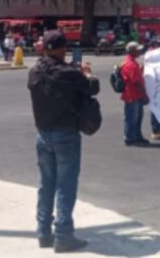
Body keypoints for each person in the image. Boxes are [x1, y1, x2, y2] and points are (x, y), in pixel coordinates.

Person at [27, 30, 99, 252]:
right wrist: (87, 74)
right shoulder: (70, 74)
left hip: (43, 134)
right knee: (65, 186)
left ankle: (43, 232)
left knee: (46, 184)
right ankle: (64, 235)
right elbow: (92, 88)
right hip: (65, 134)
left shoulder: (34, 72)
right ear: (62, 48)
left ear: (44, 48)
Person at [120, 41, 150, 146]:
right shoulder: (130, 64)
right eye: (138, 50)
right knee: (132, 118)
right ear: (132, 51)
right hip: (132, 95)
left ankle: (136, 136)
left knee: (137, 117)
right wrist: (144, 95)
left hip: (134, 94)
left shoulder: (131, 62)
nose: (140, 51)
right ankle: (130, 138)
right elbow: (136, 82)